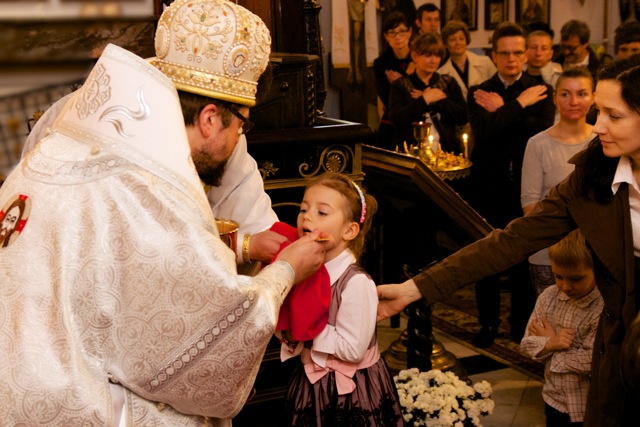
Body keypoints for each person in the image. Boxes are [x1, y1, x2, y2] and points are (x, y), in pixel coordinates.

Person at [0, 1, 327, 425]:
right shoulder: (152, 187)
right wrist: (285, 272)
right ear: (209, 118)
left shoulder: (79, 123)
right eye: (241, 124)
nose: (238, 138)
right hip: (70, 401)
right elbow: (203, 341)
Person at [376, 54, 640, 426]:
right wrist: (416, 288)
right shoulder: (592, 176)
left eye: (614, 116)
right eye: (599, 112)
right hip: (621, 349)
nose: (597, 126)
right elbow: (511, 240)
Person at [278, 172, 404, 426]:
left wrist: (304, 329)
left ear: (349, 230)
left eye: (322, 212)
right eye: (304, 209)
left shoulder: (356, 283)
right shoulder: (305, 272)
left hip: (351, 391)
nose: (307, 217)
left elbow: (353, 349)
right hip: (312, 381)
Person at [467, 22, 556, 346]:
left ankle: (521, 323)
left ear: (526, 54)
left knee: (522, 258)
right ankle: (487, 324)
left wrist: (502, 112)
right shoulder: (479, 90)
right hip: (488, 186)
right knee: (486, 256)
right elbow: (486, 132)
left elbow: (538, 132)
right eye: (504, 53)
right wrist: (518, 106)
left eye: (518, 52)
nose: (511, 59)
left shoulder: (541, 89)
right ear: (493, 55)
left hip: (525, 186)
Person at [521, 67, 596, 296]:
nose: (574, 101)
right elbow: (530, 206)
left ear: (593, 98)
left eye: (581, 94)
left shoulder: (603, 141)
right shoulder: (538, 144)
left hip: (594, 252)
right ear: (555, 98)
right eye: (565, 94)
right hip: (549, 256)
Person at [521, 229, 603, 426]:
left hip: (589, 404)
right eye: (558, 276)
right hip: (554, 399)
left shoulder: (602, 306)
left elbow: (593, 361)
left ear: (597, 270)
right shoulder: (548, 297)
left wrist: (550, 349)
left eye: (576, 279)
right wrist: (551, 343)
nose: (565, 286)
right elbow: (526, 345)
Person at [388, 33, 467, 153]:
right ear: (414, 56)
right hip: (410, 152)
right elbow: (396, 120)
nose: (433, 60)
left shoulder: (448, 82)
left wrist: (438, 100)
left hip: (445, 152)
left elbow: (463, 117)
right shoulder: (401, 85)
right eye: (428, 55)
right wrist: (424, 100)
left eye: (437, 55)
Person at [373, 12, 415, 150]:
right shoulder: (381, 63)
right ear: (386, 36)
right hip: (392, 122)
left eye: (402, 31)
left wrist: (398, 82)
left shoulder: (419, 57)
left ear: (409, 32)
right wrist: (407, 78)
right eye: (392, 33)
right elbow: (386, 97)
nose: (398, 37)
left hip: (417, 119)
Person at [438, 19, 496, 101]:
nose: (458, 43)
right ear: (446, 44)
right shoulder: (441, 73)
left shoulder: (485, 62)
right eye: (453, 40)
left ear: (467, 41)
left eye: (461, 39)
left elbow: (498, 88)